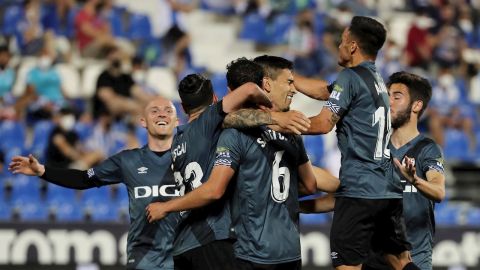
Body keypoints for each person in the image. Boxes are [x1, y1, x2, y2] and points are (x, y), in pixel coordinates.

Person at [146, 56, 338, 269]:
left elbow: (215, 189)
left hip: (251, 251)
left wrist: (166, 207)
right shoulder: (291, 132)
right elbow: (311, 184)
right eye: (289, 82)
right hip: (290, 250)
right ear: (264, 84)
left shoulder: (231, 133)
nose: (294, 89)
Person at [293, 16, 420, 270]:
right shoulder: (375, 81)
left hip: (359, 191)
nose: (338, 47)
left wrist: (279, 123)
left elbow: (323, 124)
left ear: (352, 46)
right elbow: (324, 91)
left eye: (342, 42)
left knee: (348, 266)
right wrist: (289, 78)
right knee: (399, 261)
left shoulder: (349, 77)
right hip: (388, 190)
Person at [9, 96, 181, 270]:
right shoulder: (128, 160)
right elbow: (83, 179)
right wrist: (43, 171)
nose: (161, 115)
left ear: (177, 121)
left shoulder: (192, 158)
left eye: (168, 111)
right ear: (143, 122)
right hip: (144, 258)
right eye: (154, 111)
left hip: (184, 254)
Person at [363, 72, 445, 270]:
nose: (388, 101)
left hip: (415, 258)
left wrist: (415, 180)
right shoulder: (375, 147)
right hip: (375, 258)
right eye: (387, 95)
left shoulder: (428, 148)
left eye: (396, 97)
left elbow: (439, 191)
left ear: (416, 106)